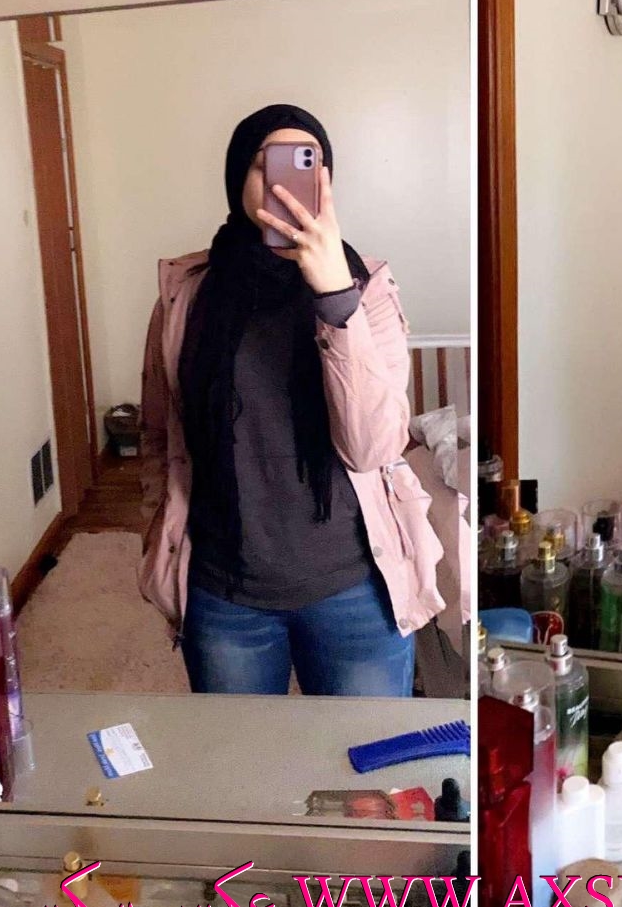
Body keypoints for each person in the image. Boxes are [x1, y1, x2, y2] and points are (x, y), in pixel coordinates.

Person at [138, 104, 445, 694]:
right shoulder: (187, 294)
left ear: (328, 181)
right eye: (266, 164)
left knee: (368, 754)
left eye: (308, 164)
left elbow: (373, 447)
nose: (285, 185)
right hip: (224, 593)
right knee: (240, 753)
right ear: (237, 178)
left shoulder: (367, 288)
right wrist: (161, 526)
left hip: (356, 589)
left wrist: (335, 297)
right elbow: (159, 431)